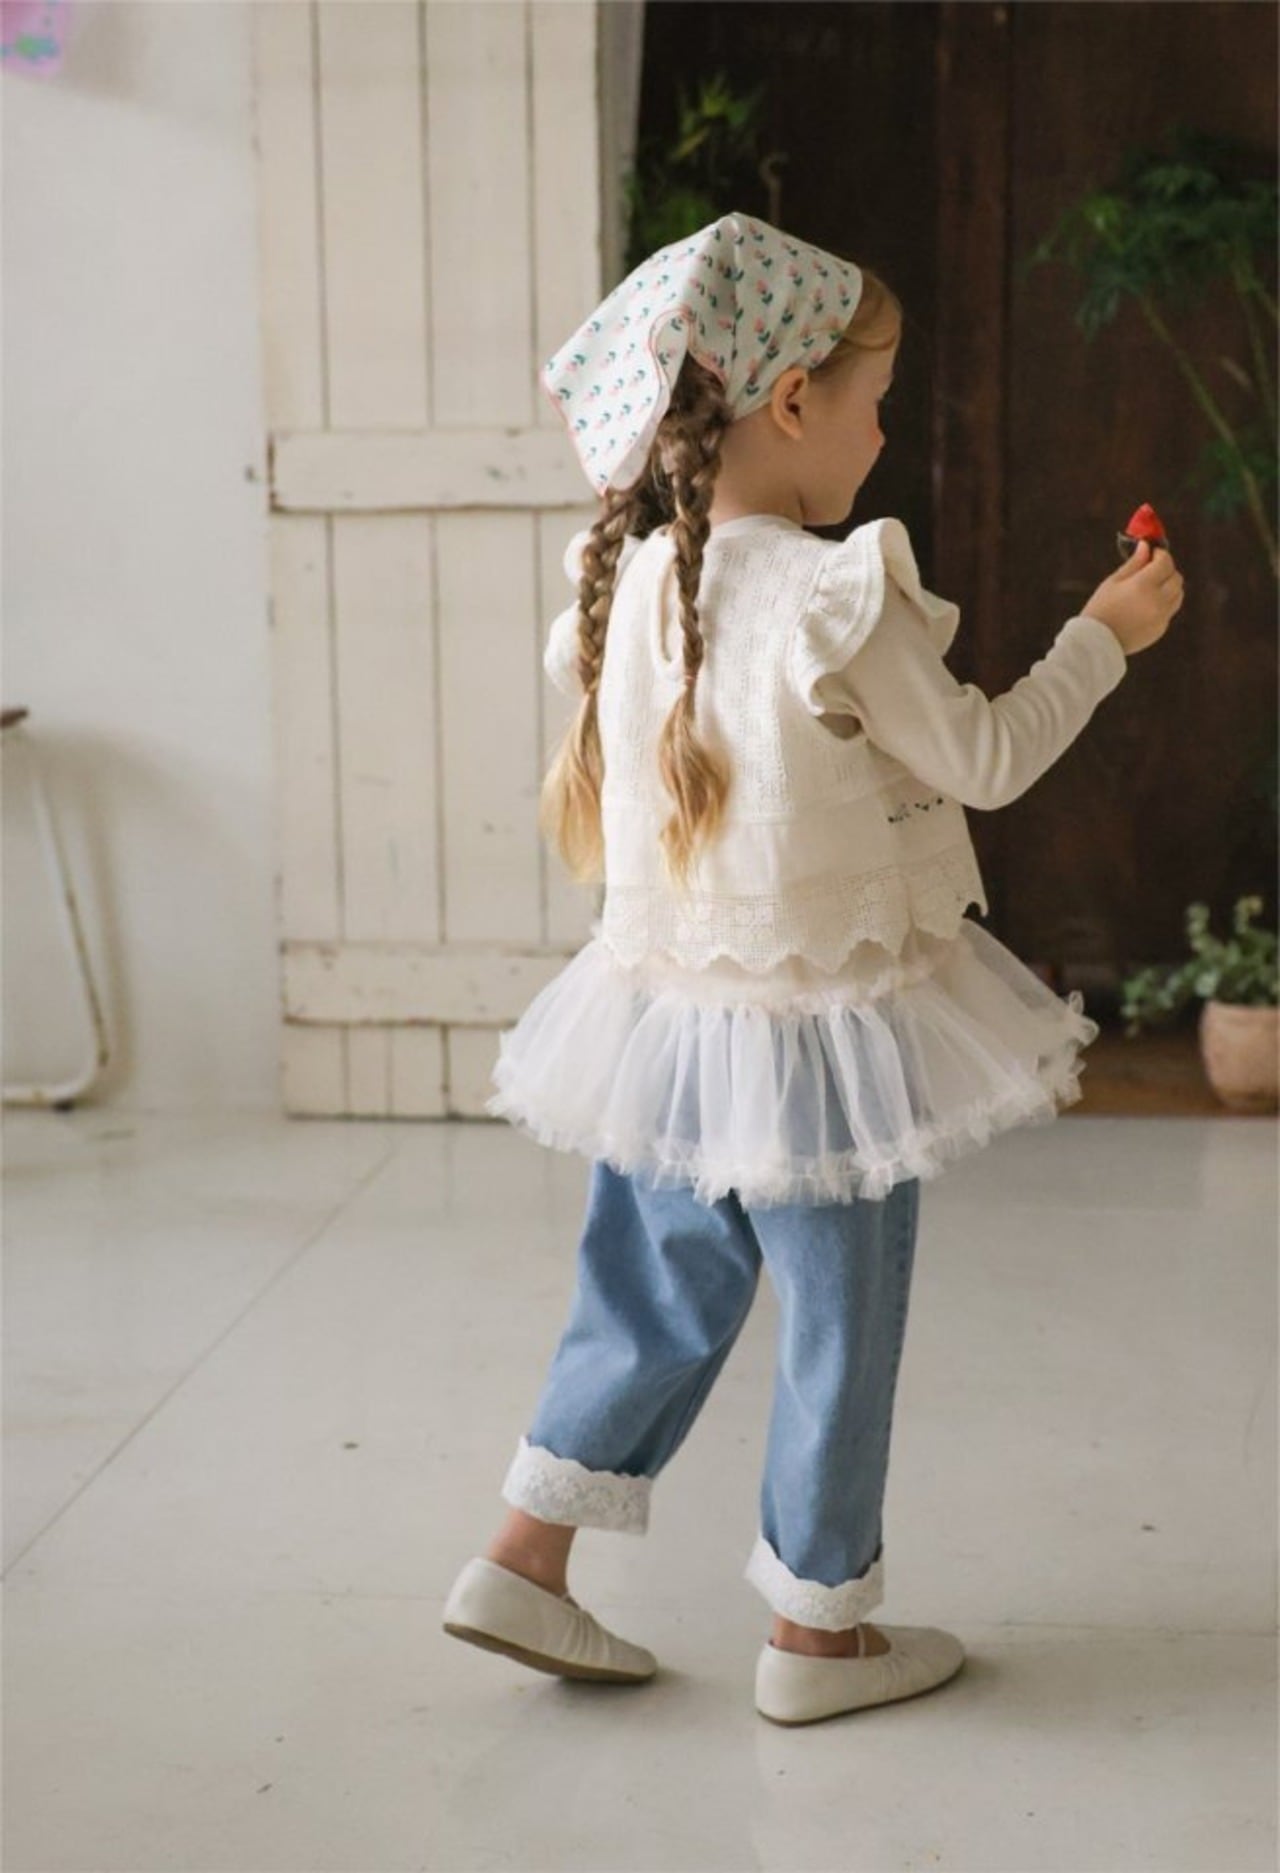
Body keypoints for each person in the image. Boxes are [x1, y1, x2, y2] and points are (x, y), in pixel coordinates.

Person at [441, 211, 1185, 1726]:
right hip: (824, 1038)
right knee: (839, 1329)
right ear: (792, 401)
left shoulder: (626, 582)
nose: (886, 430)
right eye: (876, 398)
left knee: (647, 1289)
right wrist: (1099, 638)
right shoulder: (833, 596)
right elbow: (985, 758)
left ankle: (523, 1556)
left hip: (669, 1024)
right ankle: (819, 1637)